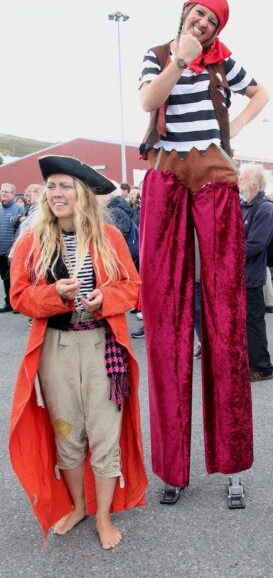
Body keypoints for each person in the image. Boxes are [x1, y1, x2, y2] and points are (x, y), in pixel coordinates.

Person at [138, 0, 268, 506]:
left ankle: (232, 466)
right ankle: (173, 469)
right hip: (166, 174)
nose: (203, 25)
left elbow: (261, 93)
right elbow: (149, 101)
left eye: (212, 22)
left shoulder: (224, 63)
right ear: (184, 14)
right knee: (165, 316)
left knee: (225, 315)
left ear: (219, 30)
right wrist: (180, 61)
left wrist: (227, 133)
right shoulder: (158, 55)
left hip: (214, 175)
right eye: (198, 15)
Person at [9, 156, 147, 548]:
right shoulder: (32, 240)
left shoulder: (109, 237)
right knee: (66, 431)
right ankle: (79, 505)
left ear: (82, 193)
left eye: (64, 185)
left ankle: (103, 516)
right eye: (51, 186)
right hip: (56, 348)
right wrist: (54, 295)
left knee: (104, 432)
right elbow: (18, 296)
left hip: (103, 344)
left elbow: (133, 287)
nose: (56, 193)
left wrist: (106, 296)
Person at [239, 164, 273, 382]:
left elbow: (255, 244)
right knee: (245, 322)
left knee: (253, 322)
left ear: (253, 183)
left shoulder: (264, 208)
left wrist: (227, 251)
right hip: (240, 276)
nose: (238, 182)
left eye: (241, 179)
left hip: (251, 276)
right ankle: (250, 361)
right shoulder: (246, 205)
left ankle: (263, 367)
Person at [0, 182, 23, 311]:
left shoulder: (18, 208)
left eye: (6, 192)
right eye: (2, 191)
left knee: (15, 278)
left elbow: (20, 231)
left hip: (12, 252)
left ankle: (17, 304)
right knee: (5, 279)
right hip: (0, 251)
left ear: (13, 194)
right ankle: (8, 303)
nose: (3, 194)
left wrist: (13, 249)